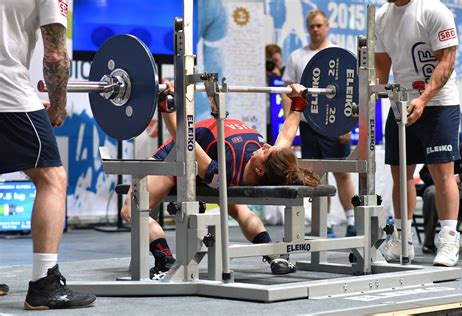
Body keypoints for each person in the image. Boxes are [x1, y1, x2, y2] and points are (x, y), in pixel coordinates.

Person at [121, 83, 318, 278]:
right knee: (239, 208)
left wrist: (167, 104)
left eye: (266, 150)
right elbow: (286, 136)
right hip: (201, 152)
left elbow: (185, 141)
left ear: (259, 169)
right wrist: (298, 104)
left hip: (180, 153)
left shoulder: (224, 172)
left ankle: (164, 260)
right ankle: (273, 254)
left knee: (132, 211)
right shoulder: (272, 164)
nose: (266, 145)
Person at [0, 0, 95, 309]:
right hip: (6, 91)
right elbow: (55, 55)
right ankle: (44, 284)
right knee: (52, 178)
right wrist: (57, 104)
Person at [375, 0, 462, 266]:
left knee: (441, 173)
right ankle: (403, 240)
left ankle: (448, 240)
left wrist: (423, 99)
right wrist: (369, 100)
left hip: (438, 104)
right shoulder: (382, 16)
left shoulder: (434, 11)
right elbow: (381, 64)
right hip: (401, 103)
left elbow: (446, 62)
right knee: (401, 174)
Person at [281, 9, 356, 238]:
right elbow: (287, 92)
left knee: (342, 173)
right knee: (315, 175)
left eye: (319, 25)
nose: (315, 29)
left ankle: (352, 221)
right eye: (312, 26)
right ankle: (325, 224)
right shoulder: (297, 57)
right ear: (307, 28)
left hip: (335, 127)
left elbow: (351, 94)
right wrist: (288, 127)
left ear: (327, 26)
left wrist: (348, 125)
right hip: (308, 125)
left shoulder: (339, 55)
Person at [420, 133, 462, 253]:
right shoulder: (444, 153)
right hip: (442, 195)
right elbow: (424, 173)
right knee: (432, 193)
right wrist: (444, 181)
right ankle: (428, 242)